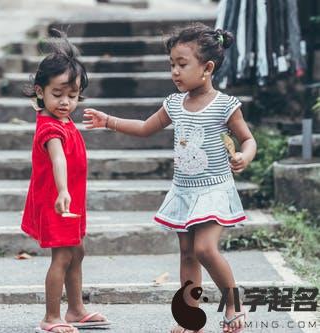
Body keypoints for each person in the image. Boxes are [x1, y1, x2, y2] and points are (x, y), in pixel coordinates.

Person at [83, 23, 257, 333]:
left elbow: (248, 140)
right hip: (184, 190)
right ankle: (190, 317)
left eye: (182, 64)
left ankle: (233, 301)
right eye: (171, 65)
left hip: (214, 189)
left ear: (207, 68)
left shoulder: (225, 105)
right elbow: (144, 127)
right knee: (187, 253)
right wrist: (108, 121)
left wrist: (244, 156)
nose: (174, 72)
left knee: (205, 249)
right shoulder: (174, 104)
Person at [21, 29, 110, 333]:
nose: (65, 102)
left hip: (71, 200)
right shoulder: (49, 128)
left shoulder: (63, 120)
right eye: (57, 94)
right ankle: (51, 317)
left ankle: (75, 309)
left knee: (77, 251)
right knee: (62, 256)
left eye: (72, 96)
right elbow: (58, 158)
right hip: (58, 201)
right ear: (39, 91)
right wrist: (62, 190)